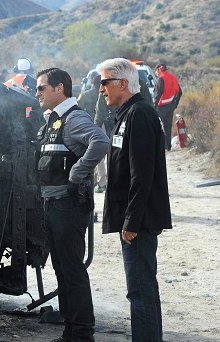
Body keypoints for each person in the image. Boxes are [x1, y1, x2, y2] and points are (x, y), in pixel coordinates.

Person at [97, 58, 172, 342]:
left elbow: (142, 176)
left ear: (123, 83)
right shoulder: (128, 114)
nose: (100, 89)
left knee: (140, 290)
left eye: (104, 82)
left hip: (138, 222)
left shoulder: (139, 114)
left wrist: (132, 221)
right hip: (134, 218)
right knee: (142, 289)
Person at [35, 68, 109, 342]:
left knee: (71, 270)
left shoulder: (73, 118)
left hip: (67, 206)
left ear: (59, 89)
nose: (37, 93)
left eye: (42, 87)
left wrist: (77, 173)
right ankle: (72, 329)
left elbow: (100, 141)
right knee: (62, 268)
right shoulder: (52, 121)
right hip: (54, 205)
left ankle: (81, 333)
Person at [153, 63, 182, 150]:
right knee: (167, 126)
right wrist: (175, 104)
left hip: (161, 107)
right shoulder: (172, 77)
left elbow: (159, 93)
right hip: (171, 105)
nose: (156, 72)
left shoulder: (161, 78)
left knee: (158, 126)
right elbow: (180, 92)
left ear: (159, 69)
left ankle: (160, 146)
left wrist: (154, 105)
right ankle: (168, 146)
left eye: (156, 70)